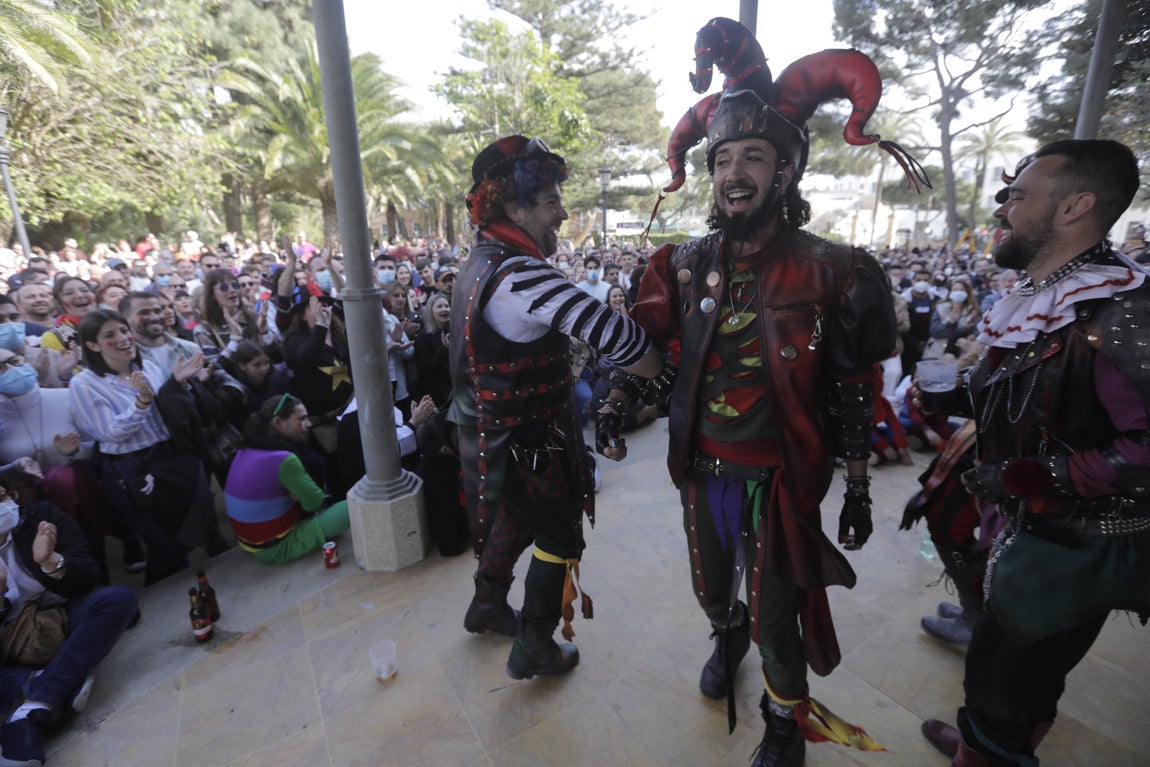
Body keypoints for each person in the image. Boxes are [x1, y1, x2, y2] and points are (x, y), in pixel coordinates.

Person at [630, 35, 904, 766]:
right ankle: (724, 631)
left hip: (782, 483)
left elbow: (852, 390)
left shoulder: (835, 270)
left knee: (778, 624)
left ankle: (785, 724)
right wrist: (621, 394)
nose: (732, 172)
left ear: (785, 171)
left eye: (752, 156)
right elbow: (664, 364)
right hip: (703, 474)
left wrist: (856, 488)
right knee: (714, 593)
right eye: (721, 159)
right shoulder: (683, 266)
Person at [921, 141, 1150, 763]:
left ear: (1076, 205)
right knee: (1021, 684)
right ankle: (997, 739)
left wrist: (1035, 476)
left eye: (1018, 195)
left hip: (1071, 552)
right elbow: (1051, 403)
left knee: (1002, 688)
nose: (1003, 208)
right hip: (1029, 532)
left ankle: (990, 746)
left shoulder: (1122, 306)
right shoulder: (1050, 292)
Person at [450, 135, 661, 680]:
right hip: (530, 440)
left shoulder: (479, 262)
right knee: (560, 534)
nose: (563, 213)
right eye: (550, 201)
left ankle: (487, 605)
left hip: (497, 435)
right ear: (512, 207)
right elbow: (628, 344)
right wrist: (663, 369)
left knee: (520, 519)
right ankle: (534, 646)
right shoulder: (523, 275)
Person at [68, 310, 228, 585]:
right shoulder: (84, 383)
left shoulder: (147, 367)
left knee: (202, 520)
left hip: (173, 457)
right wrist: (141, 403)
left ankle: (224, 576)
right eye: (110, 335)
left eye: (123, 330)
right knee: (163, 544)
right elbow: (110, 433)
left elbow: (169, 409)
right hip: (131, 470)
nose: (123, 338)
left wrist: (180, 384)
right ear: (93, 345)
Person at [0, 480, 138, 767]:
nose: (4, 507)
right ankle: (53, 686)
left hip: (58, 619)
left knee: (118, 600)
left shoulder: (39, 518)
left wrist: (50, 561)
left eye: (2, 496)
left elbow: (88, 574)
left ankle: (31, 707)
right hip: (6, 643)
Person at [223, 394, 349, 563]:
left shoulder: (246, 448)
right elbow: (315, 502)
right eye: (302, 419)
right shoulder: (284, 459)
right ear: (278, 423)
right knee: (351, 506)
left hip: (247, 543)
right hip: (274, 548)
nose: (309, 424)